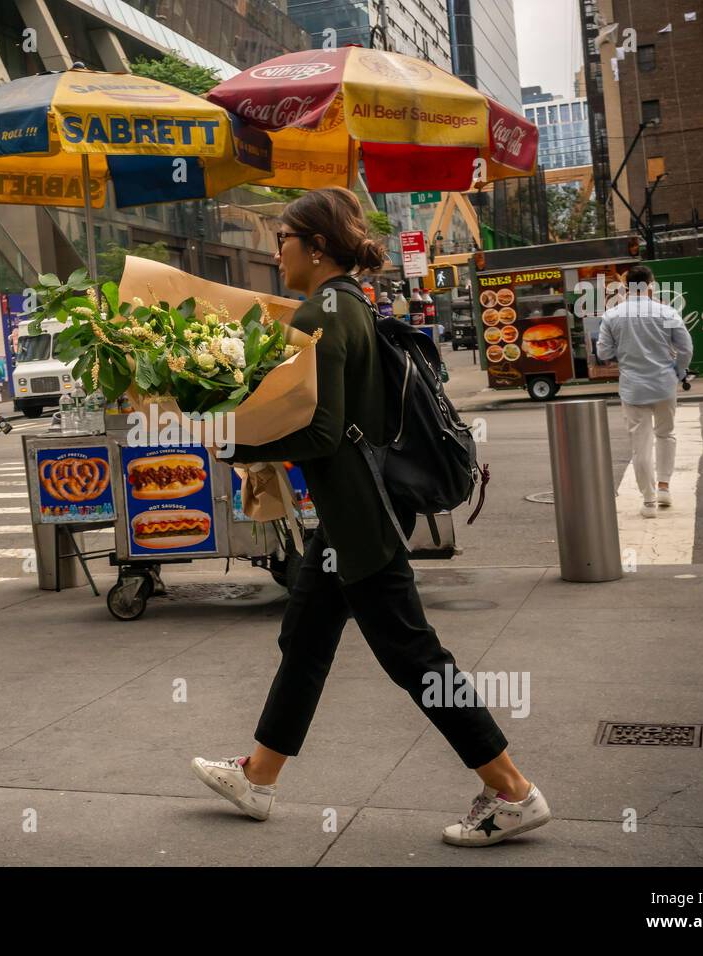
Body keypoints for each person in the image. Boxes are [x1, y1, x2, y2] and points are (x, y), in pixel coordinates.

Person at [190, 186, 550, 848]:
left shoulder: (324, 309)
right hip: (350, 520)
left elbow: (322, 433)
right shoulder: (349, 303)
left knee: (413, 657)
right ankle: (258, 777)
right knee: (305, 636)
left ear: (316, 247)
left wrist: (234, 441)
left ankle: (512, 790)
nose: (278, 253)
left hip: (361, 523)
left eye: (284, 242)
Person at [596, 262, 693, 518]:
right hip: (664, 384)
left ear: (626, 287)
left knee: (640, 445)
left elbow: (603, 352)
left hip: (633, 388)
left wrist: (626, 355)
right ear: (651, 285)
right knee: (666, 435)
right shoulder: (667, 313)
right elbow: (686, 349)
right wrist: (679, 371)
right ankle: (664, 487)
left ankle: (648, 501)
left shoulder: (612, 316)